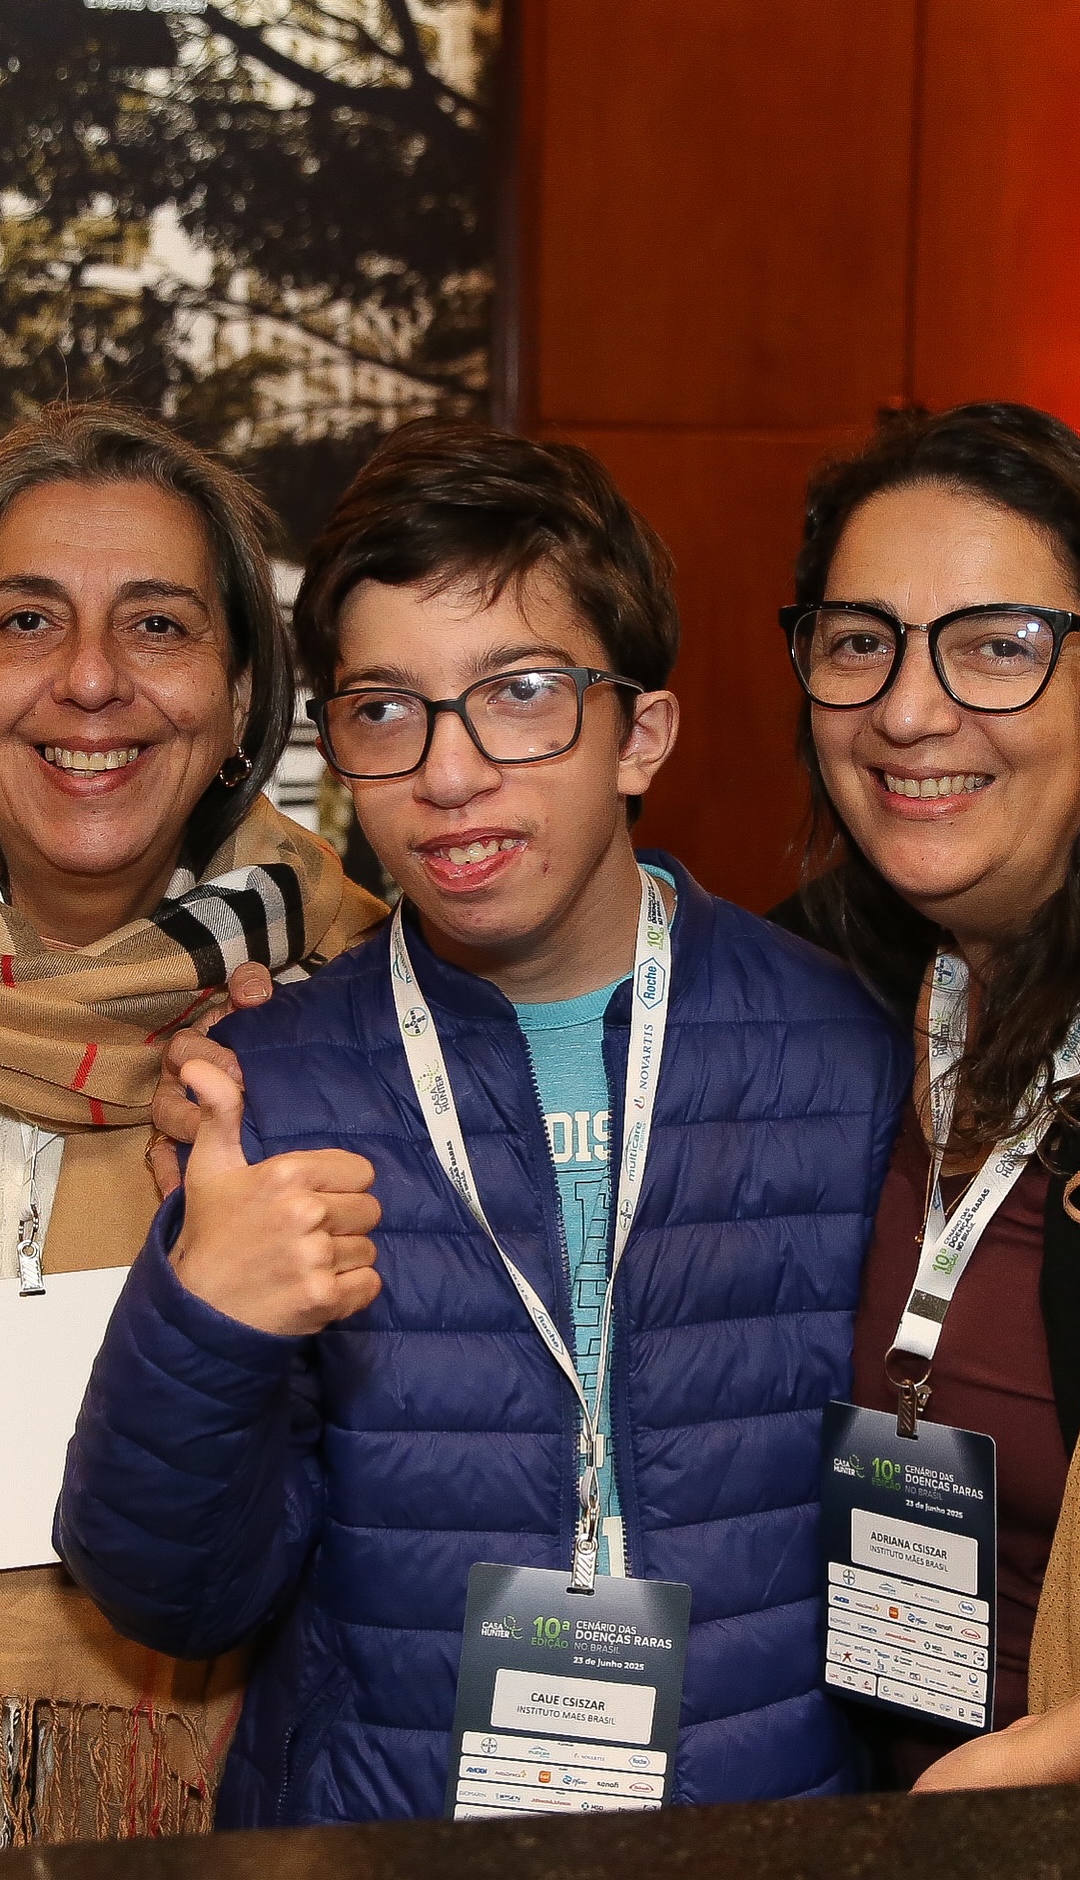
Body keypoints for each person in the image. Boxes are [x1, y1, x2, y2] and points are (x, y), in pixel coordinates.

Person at [55, 419, 911, 1826]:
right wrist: (204, 1319)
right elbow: (174, 1594)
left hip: (765, 1824)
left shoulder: (840, 1047)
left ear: (641, 734)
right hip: (384, 1825)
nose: (447, 775)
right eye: (384, 710)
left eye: (519, 694)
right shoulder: (271, 1085)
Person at [0, 402, 383, 1863]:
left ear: (242, 696)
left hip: (231, 1842)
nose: (93, 679)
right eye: (28, 620)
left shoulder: (362, 1015)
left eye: (159, 625)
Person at [773, 401, 1080, 1790]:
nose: (908, 710)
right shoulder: (846, 974)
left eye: (998, 646)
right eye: (861, 642)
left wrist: (1061, 1762)